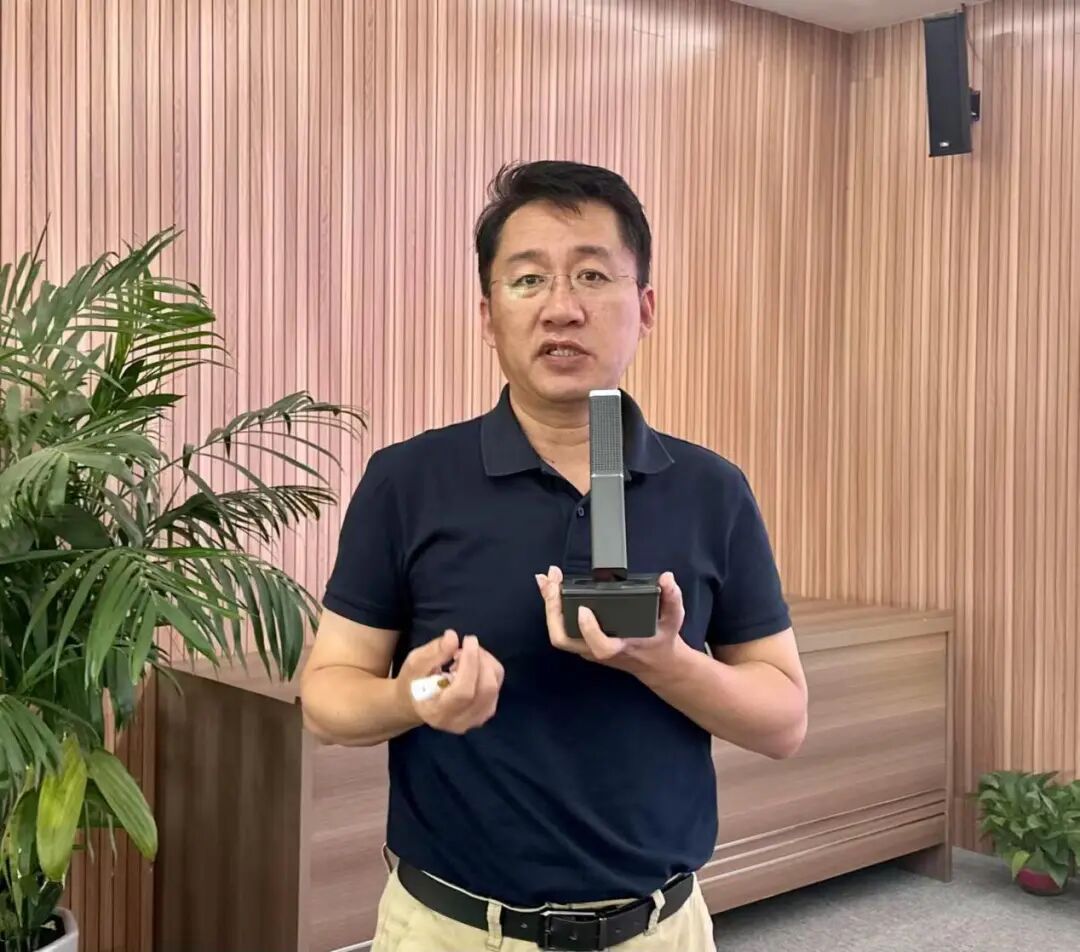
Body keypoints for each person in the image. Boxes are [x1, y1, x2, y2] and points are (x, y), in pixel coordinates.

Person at [299, 160, 808, 952]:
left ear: (645, 308)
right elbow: (327, 696)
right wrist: (418, 696)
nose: (562, 307)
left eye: (593, 276)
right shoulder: (408, 480)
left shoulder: (713, 490)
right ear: (488, 314)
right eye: (528, 279)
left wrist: (665, 661)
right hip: (451, 931)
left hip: (658, 931)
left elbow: (784, 721)